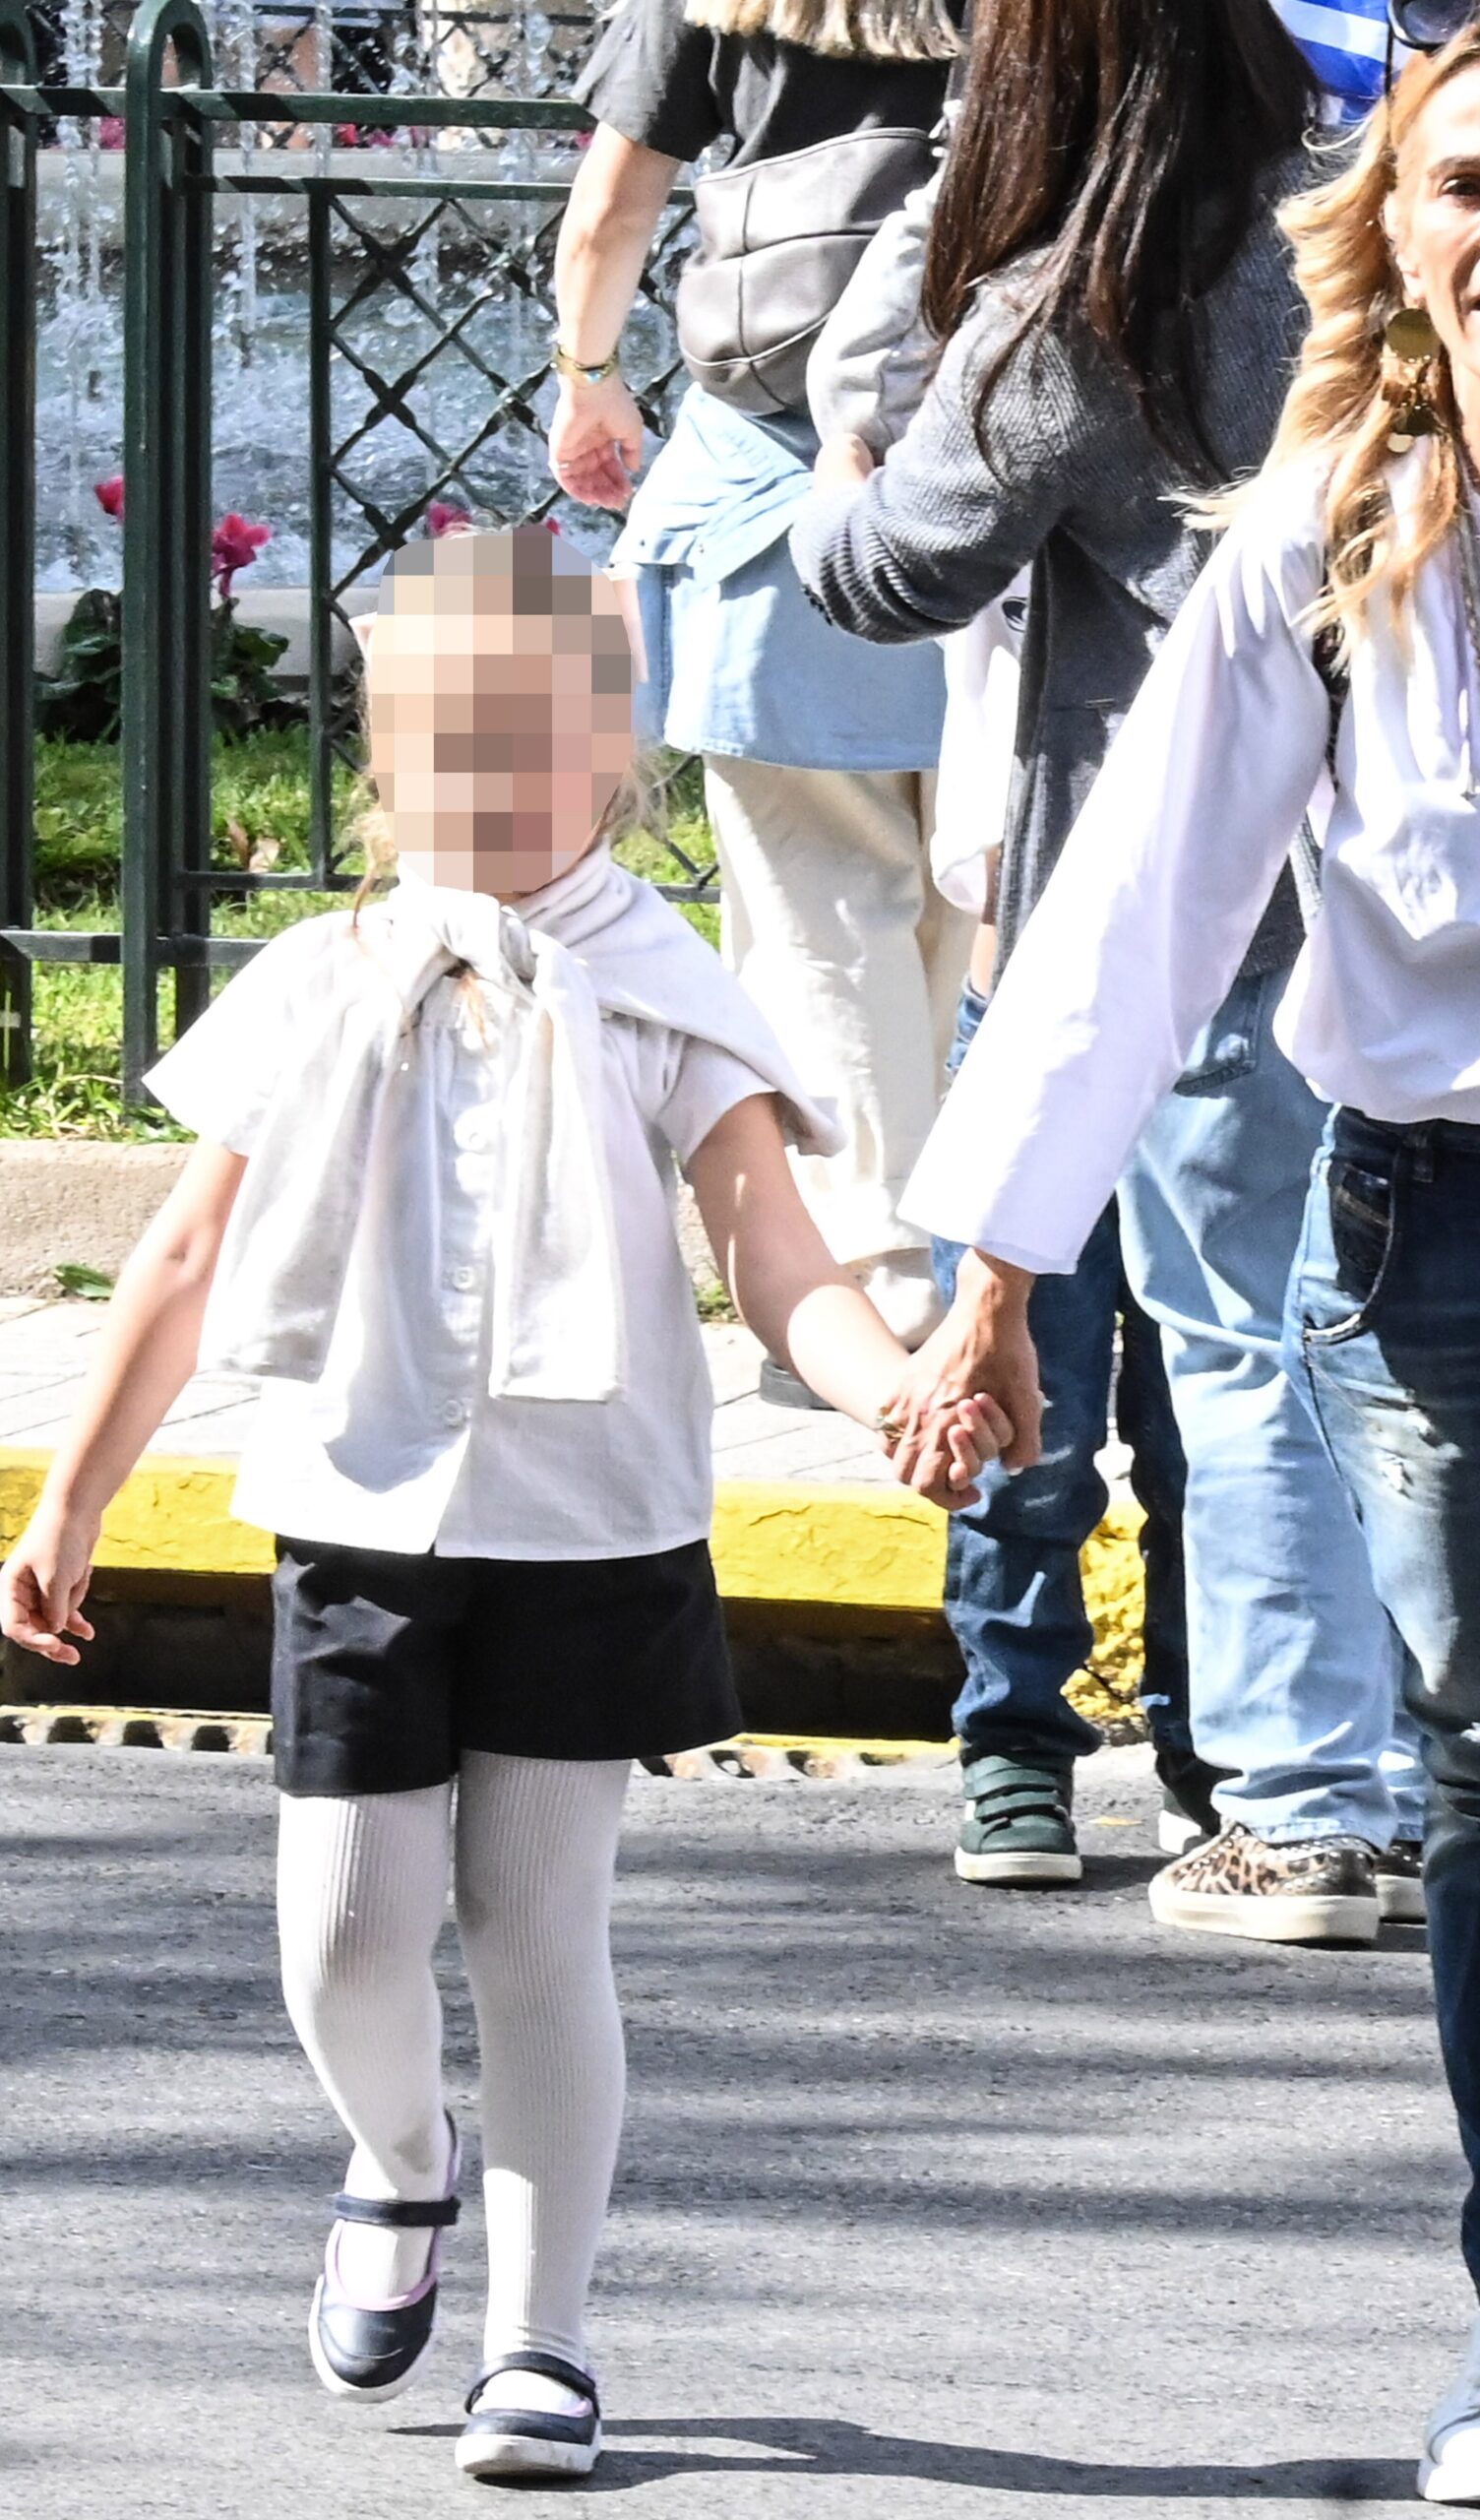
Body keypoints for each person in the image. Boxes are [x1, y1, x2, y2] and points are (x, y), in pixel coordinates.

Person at [885, 7, 1480, 2508]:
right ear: (1394, 240)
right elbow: (1135, 916)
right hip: (1432, 1233)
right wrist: (996, 1275)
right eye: (1464, 185)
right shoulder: (1317, 542)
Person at [0, 527, 1002, 2488]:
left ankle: (543, 2338)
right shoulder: (322, 979)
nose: (494, 776)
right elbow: (184, 1258)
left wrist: (886, 1380)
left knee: (537, 1930)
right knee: (343, 1930)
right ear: (387, 760)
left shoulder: (664, 988)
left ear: (608, 752)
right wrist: (74, 1498)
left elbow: (773, 1250)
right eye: (451, 740)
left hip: (592, 1518)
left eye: (535, 736)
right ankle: (399, 2159)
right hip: (357, 1504)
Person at [792, 0, 1426, 1932]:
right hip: (1429, 885)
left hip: (1191, 898)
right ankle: (1439, 1779)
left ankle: (1311, 1802)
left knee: (1244, 1346)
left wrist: (835, 459)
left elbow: (891, 564)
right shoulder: (1380, 222)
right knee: (1414, 1349)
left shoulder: (1094, 295)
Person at [549, 0, 967, 1370]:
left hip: (776, 485)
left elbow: (612, 211)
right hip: (995, 473)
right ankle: (977, 1263)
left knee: (819, 915)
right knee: (975, 899)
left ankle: (870, 1288)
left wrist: (588, 377)